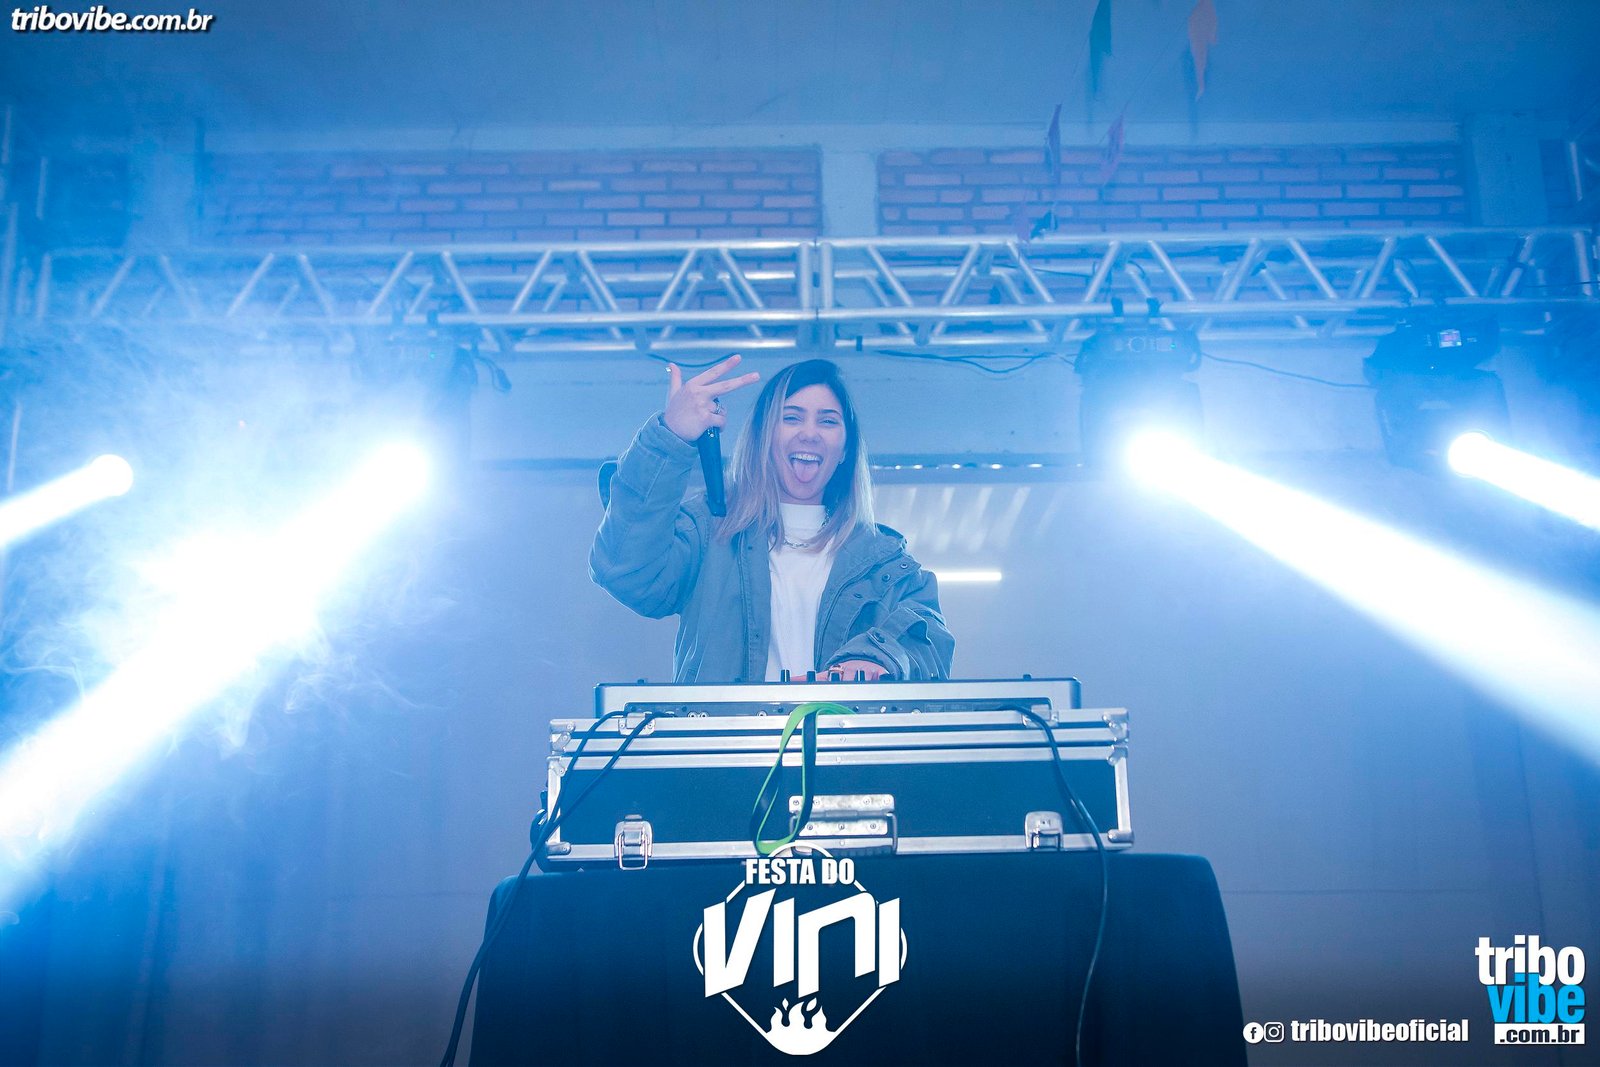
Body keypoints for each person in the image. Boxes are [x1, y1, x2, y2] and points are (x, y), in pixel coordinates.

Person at [590, 355, 954, 684]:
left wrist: (877, 657)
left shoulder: (884, 562)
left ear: (845, 449)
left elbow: (929, 638)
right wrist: (669, 437)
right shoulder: (709, 531)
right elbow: (625, 571)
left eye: (828, 421)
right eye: (791, 417)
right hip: (726, 739)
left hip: (840, 738)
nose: (809, 433)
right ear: (763, 436)